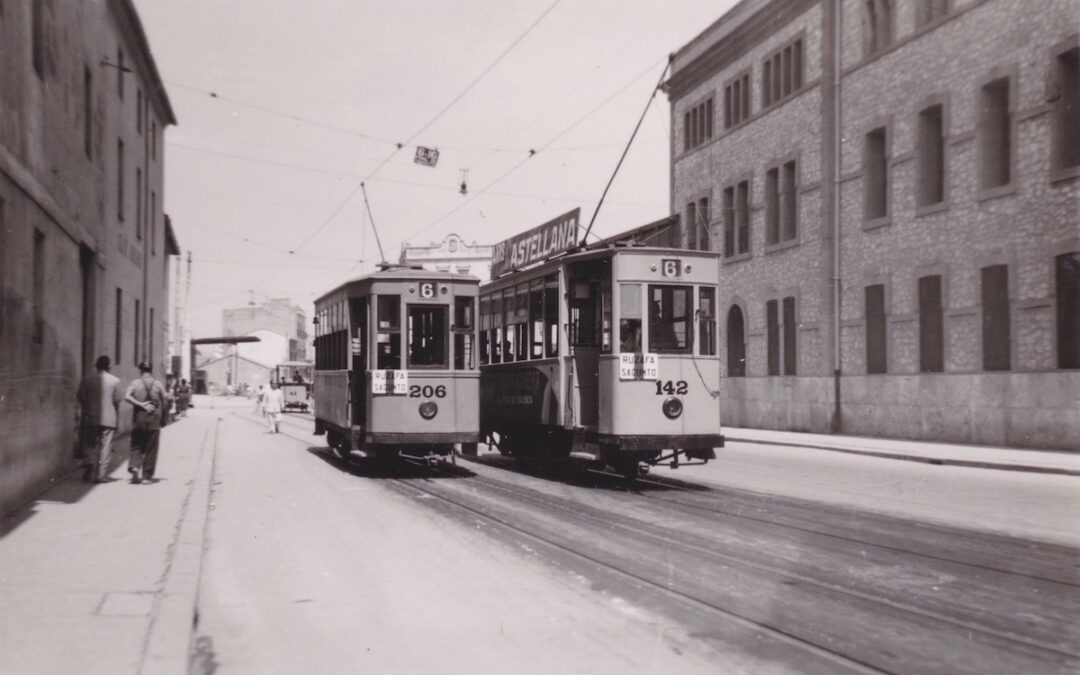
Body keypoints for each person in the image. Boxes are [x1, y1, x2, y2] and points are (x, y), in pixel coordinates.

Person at [76, 355, 123, 483]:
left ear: (97, 365)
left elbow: (80, 397)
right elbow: (118, 399)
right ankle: (100, 475)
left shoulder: (87, 379)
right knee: (105, 447)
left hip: (90, 417)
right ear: (108, 367)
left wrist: (88, 406)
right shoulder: (115, 381)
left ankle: (89, 464)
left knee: (89, 444)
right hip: (108, 419)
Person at [124, 361, 167, 484]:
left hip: (139, 418)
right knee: (151, 447)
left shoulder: (135, 383)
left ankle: (135, 467)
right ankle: (146, 477)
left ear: (141, 371)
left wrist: (140, 404)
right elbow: (165, 401)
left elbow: (127, 396)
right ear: (151, 371)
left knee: (136, 444)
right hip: (154, 419)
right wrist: (164, 418)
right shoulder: (158, 384)